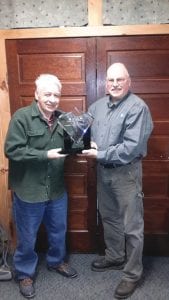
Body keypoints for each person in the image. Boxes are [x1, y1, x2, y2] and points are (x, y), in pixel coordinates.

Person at [82, 63, 153, 299]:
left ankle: (132, 274)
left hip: (126, 173)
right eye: (110, 80)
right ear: (105, 82)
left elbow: (131, 148)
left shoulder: (137, 107)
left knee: (132, 225)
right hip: (103, 171)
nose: (114, 84)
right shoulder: (97, 106)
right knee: (109, 217)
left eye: (119, 80)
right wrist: (84, 141)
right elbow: (83, 129)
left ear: (128, 81)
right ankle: (114, 257)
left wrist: (99, 153)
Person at [4, 74, 78, 299]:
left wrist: (85, 142)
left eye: (56, 95)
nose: (52, 99)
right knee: (27, 236)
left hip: (56, 189)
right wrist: (45, 154)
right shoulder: (22, 117)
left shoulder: (65, 118)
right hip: (29, 190)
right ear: (37, 95)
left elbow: (73, 144)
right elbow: (12, 150)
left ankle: (56, 262)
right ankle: (24, 273)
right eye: (47, 94)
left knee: (58, 231)